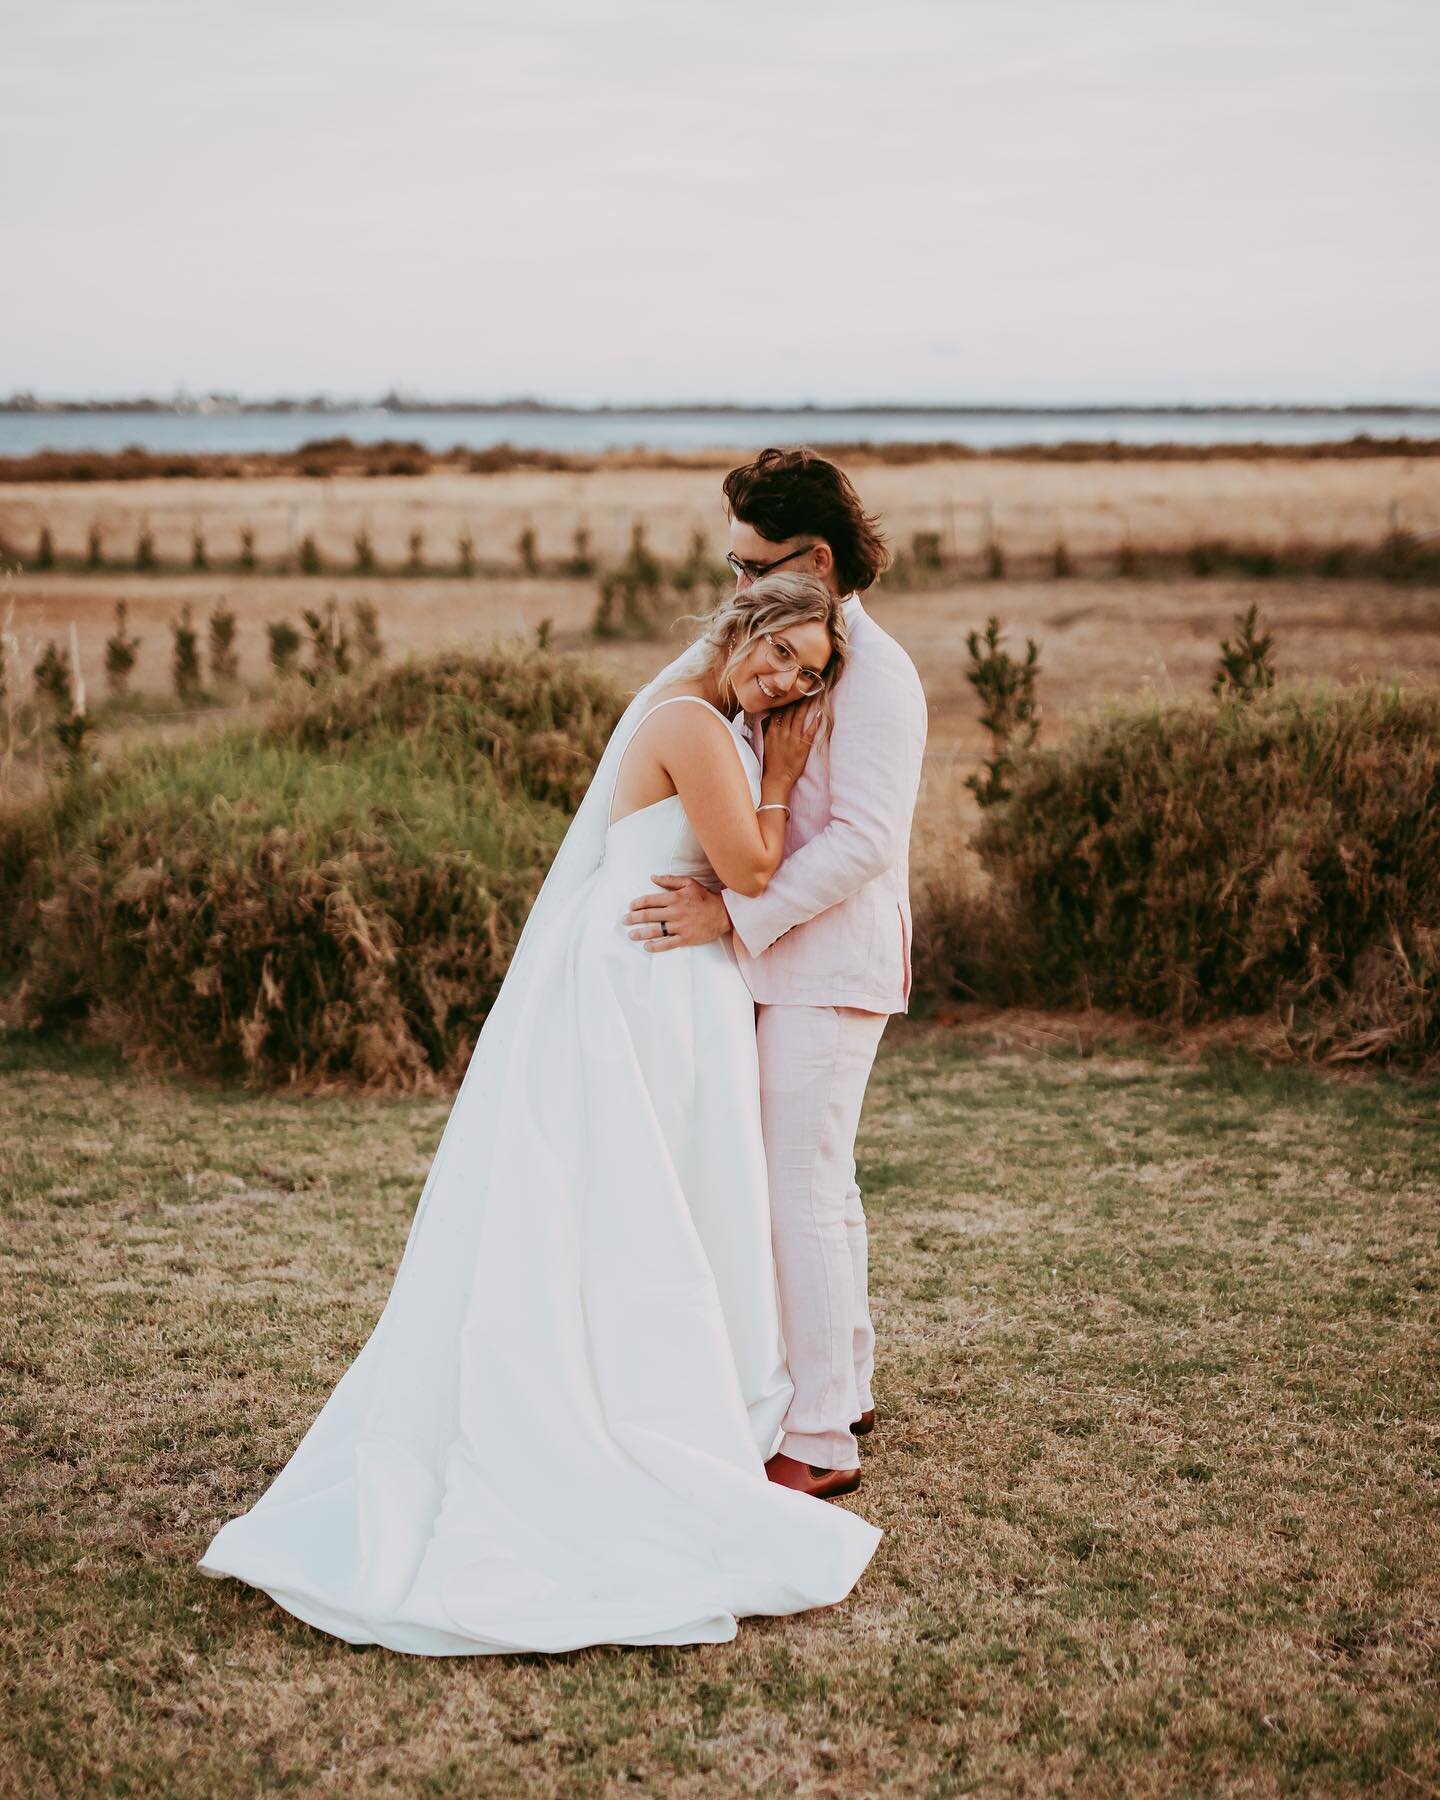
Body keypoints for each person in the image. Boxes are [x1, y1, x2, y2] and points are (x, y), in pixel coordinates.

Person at [198, 570, 883, 1657]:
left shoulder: (716, 722)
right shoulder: (695, 723)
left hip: (673, 978)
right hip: (642, 980)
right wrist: (787, 773)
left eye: (808, 670)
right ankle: (607, 1406)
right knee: (631, 1196)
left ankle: (680, 1390)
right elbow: (753, 867)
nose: (786, 677)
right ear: (742, 625)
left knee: (661, 1193)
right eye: (780, 651)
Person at [624, 448, 928, 1501]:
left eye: (757, 567)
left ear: (822, 557)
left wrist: (730, 910)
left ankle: (821, 1441)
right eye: (735, 565)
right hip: (785, 957)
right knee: (816, 1184)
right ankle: (845, 1386)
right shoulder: (810, 650)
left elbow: (864, 843)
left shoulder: (876, 671)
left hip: (827, 963)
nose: (739, 587)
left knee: (797, 1188)